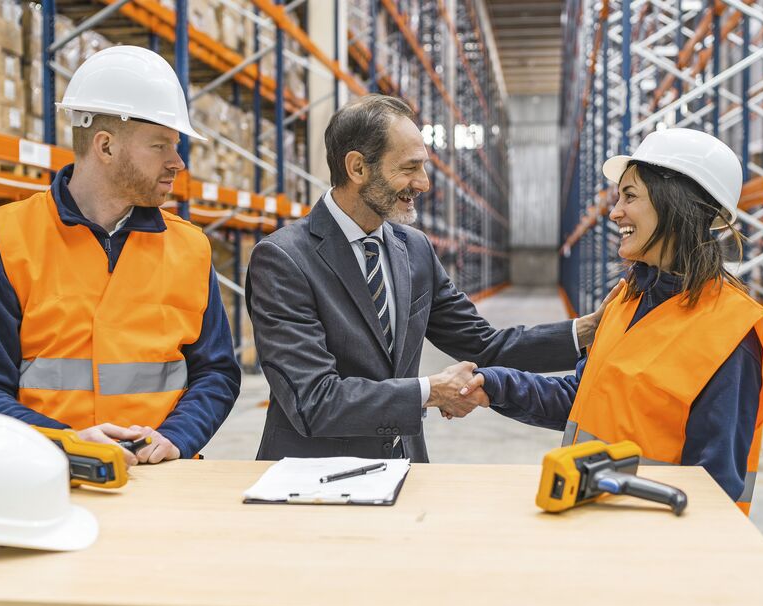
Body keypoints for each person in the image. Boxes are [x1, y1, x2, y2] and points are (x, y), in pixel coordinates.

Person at [245, 94, 601, 463]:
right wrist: (428, 391)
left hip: (404, 466)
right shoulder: (284, 259)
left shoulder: (413, 249)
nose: (424, 183)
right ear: (357, 168)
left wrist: (586, 330)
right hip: (310, 481)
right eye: (410, 167)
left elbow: (482, 344)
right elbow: (313, 400)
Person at [0, 46, 242, 466]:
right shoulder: (4, 241)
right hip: (45, 474)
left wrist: (177, 437)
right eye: (160, 145)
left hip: (165, 478)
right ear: (105, 146)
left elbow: (217, 372)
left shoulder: (190, 248)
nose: (177, 162)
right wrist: (68, 443)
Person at [461, 129, 763, 513]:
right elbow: (584, 399)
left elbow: (714, 491)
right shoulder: (627, 300)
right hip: (592, 519)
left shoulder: (730, 334)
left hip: (655, 548)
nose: (615, 212)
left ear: (677, 207)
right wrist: (496, 384)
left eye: (630, 196)